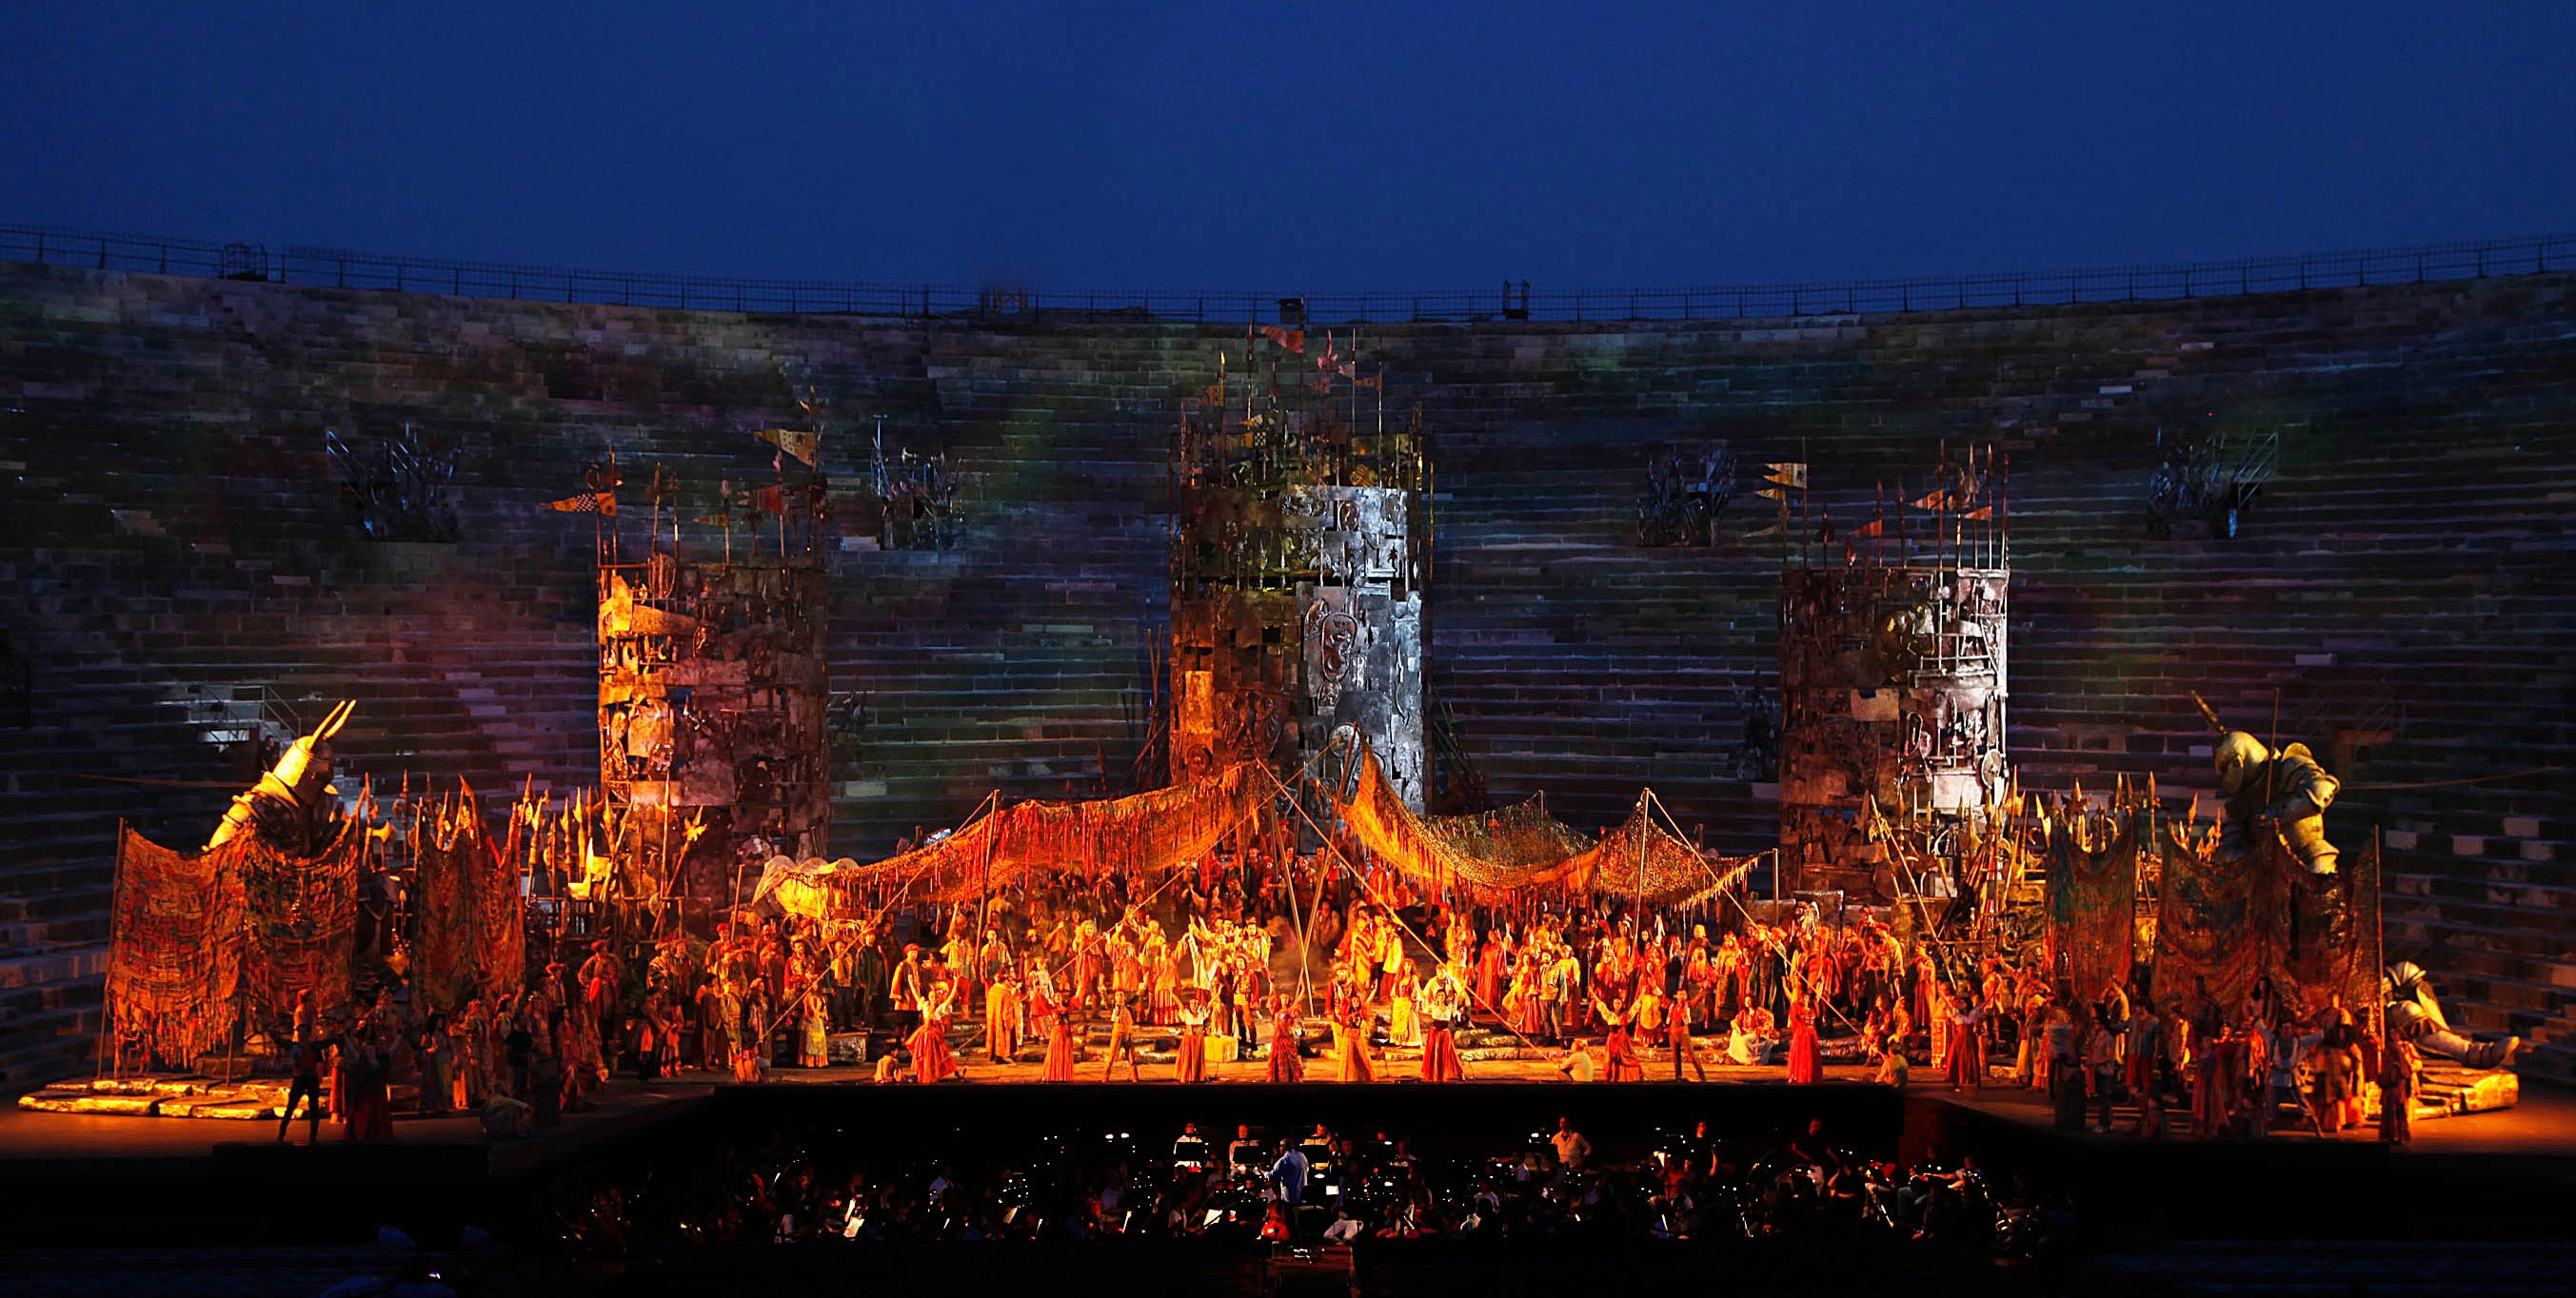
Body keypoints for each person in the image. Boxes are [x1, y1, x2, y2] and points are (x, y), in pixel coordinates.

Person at [279, 1022, 327, 1144]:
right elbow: (281, 1042)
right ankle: (281, 1134)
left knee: (314, 1108)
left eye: (304, 1033)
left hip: (311, 1078)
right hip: (299, 1078)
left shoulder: (314, 1047)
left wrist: (319, 1078)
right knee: (290, 1107)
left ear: (308, 1034)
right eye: (300, 1033)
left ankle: (313, 1137)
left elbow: (319, 1062)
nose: (302, 1035)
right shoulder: (294, 1046)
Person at [2379, 1033, 2421, 1147]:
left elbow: (2392, 1078)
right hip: (2396, 1091)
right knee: (2396, 1113)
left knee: (2394, 1113)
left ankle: (2396, 1135)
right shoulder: (2396, 1062)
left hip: (2394, 1092)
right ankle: (2396, 1135)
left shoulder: (2395, 1065)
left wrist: (2383, 1080)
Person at [1785, 988, 1821, 1085]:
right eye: (1805, 997)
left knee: (1811, 1055)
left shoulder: (1812, 1009)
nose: (1807, 999)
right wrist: (1802, 1027)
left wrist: (1817, 1005)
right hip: (1801, 1034)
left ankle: (1810, 1075)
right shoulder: (1797, 1007)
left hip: (1811, 1034)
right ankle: (1799, 1075)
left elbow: (1817, 1017)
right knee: (1801, 1055)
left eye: (1809, 998)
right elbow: (1793, 1018)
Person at [1267, 994, 1304, 1083]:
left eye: (1287, 998)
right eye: (1283, 998)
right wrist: (1271, 983)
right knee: (1276, 1057)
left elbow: (1297, 1001)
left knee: (1290, 1058)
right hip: (1277, 1038)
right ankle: (1277, 1078)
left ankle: (1291, 1077)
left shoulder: (1289, 1011)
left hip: (1286, 1037)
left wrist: (1302, 991)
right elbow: (1271, 998)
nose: (1285, 1000)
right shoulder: (1276, 1012)